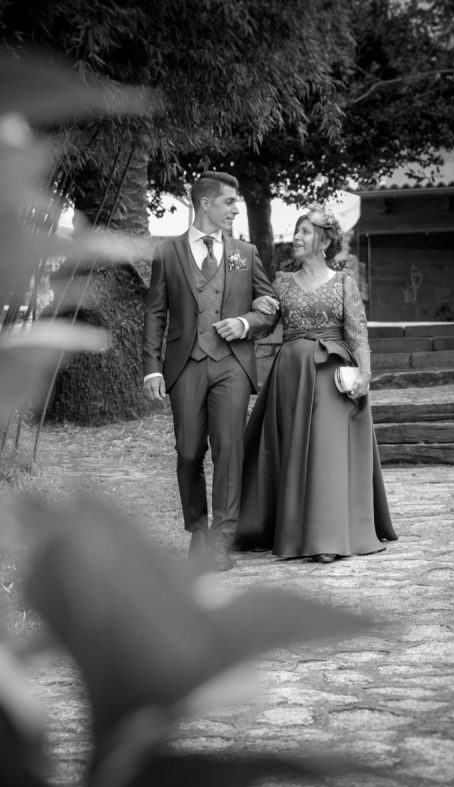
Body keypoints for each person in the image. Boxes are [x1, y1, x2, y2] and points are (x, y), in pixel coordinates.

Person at [235, 207, 397, 562]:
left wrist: (366, 375)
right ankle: (294, 533)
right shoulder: (280, 282)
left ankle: (326, 539)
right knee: (293, 453)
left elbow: (357, 334)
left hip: (331, 375)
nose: (297, 237)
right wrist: (246, 319)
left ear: (324, 241)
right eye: (297, 230)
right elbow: (264, 324)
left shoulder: (343, 283)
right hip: (289, 377)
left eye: (306, 232)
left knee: (325, 453)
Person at [142, 171, 277, 571]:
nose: (236, 208)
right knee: (187, 452)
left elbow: (269, 304)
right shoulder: (167, 252)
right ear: (205, 204)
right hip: (185, 365)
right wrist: (152, 369)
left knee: (229, 451)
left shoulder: (245, 252)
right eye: (229, 202)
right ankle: (197, 531)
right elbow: (154, 313)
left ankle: (221, 540)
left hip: (232, 365)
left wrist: (246, 323)